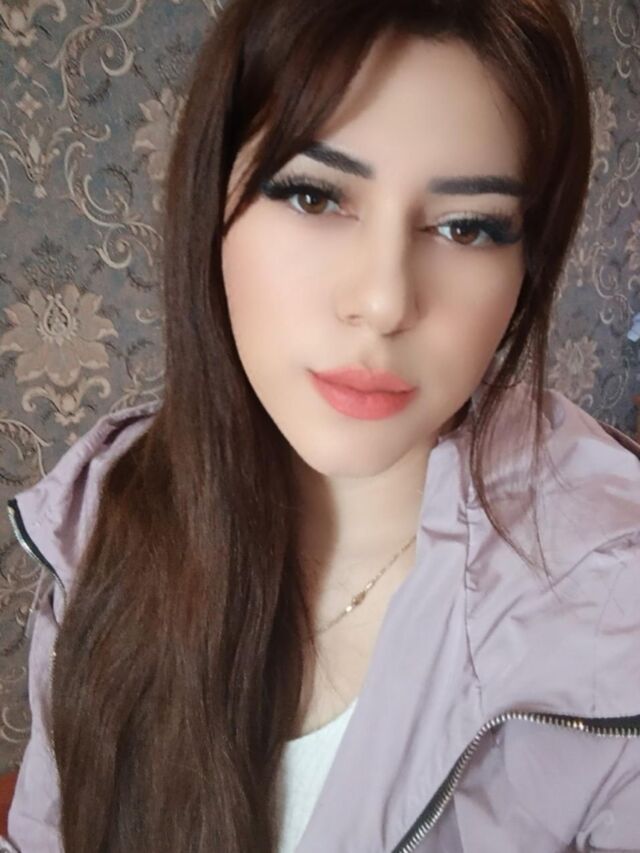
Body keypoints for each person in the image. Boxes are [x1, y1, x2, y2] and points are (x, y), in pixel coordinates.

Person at [2, 0, 640, 850]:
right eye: (314, 195)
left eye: (466, 226)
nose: (383, 301)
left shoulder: (610, 619)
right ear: (212, 200)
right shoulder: (100, 525)